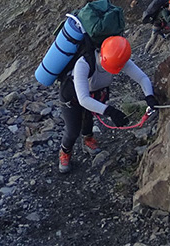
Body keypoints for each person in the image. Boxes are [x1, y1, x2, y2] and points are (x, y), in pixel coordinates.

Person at [58, 35, 158, 174]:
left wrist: (149, 96)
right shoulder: (83, 63)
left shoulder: (119, 58)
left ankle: (88, 139)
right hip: (72, 97)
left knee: (88, 118)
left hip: (93, 92)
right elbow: (83, 99)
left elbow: (142, 78)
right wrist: (110, 111)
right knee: (73, 130)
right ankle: (65, 152)